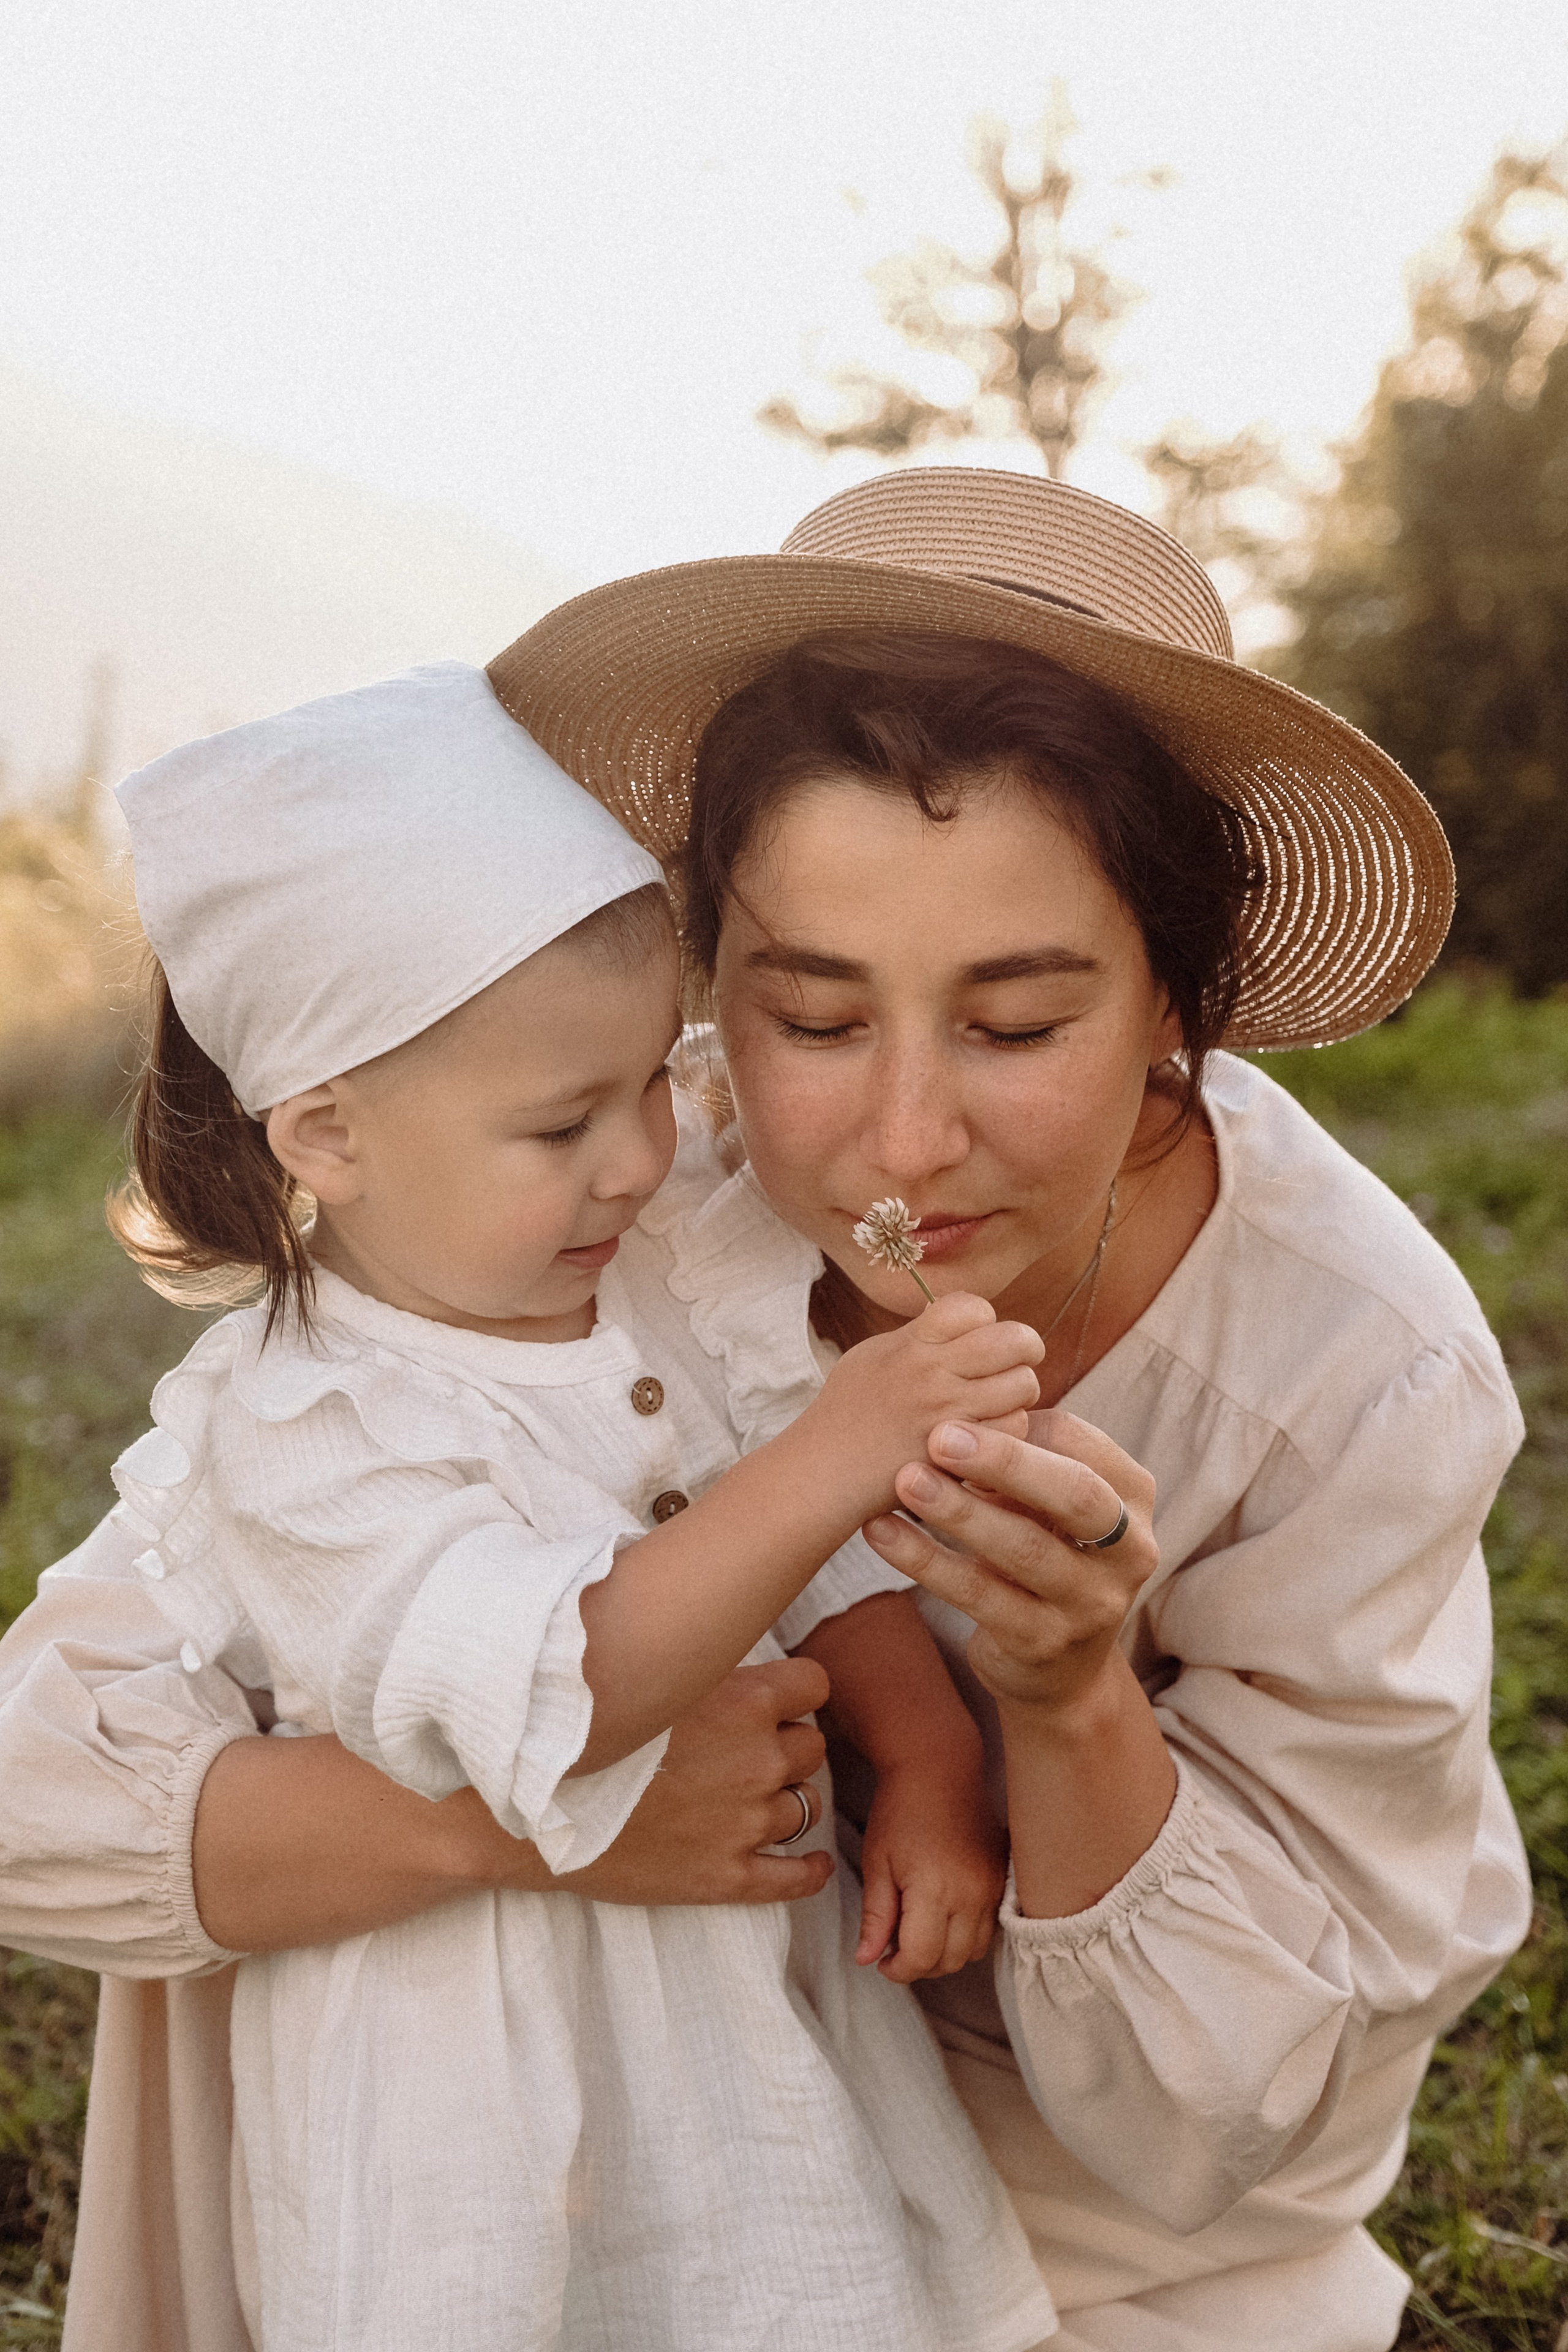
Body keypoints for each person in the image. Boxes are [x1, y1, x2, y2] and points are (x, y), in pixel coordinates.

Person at [0, 469, 1532, 2352]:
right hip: (581, 2142)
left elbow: (1227, 2124)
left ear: (1174, 1005)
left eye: (1019, 1023)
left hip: (1076, 2244)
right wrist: (547, 1820)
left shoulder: (1357, 1372)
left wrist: (1065, 1708)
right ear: (712, 971)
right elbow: (41, 1792)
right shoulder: (626, 1188)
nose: (902, 1137)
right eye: (810, 1018)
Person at [81, 658, 1057, 2352]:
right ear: (328, 1135)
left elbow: (813, 1579)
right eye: (561, 1123)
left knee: (784, 2275)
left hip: (740, 2011)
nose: (636, 1159)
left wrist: (933, 1760)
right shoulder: (309, 1431)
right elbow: (576, 1690)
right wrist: (839, 1443)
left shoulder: (646, 1276)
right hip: (479, 2052)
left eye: (650, 1088)